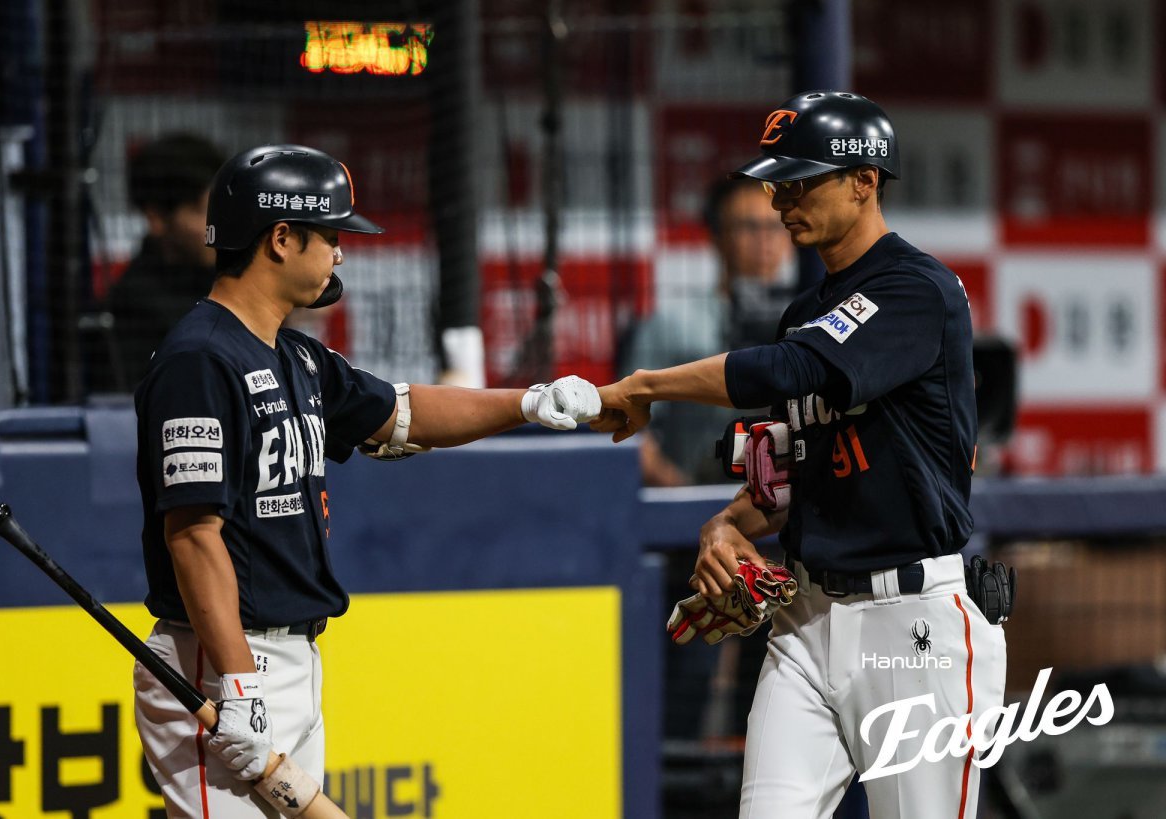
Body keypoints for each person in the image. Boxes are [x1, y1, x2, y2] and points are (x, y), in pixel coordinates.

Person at [131, 144, 601, 817]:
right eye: (330, 235)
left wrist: (529, 402)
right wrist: (237, 683)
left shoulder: (295, 354)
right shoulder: (199, 359)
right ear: (281, 238)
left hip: (287, 658)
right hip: (218, 660)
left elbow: (403, 412)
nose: (341, 253)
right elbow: (193, 536)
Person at [595, 91, 1007, 818]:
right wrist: (727, 524)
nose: (783, 200)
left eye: (802, 181)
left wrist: (646, 385)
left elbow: (797, 370)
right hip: (805, 621)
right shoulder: (806, 313)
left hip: (910, 624)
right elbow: (785, 465)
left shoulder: (917, 288)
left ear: (864, 181)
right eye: (777, 183)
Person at [621, 177, 793, 487]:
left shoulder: (807, 322)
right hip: (694, 495)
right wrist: (684, 493)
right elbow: (629, 426)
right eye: (749, 227)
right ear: (717, 235)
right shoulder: (672, 323)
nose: (764, 240)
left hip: (784, 502)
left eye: (775, 226)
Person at [104, 133, 226, 388]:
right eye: (202, 211)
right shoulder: (134, 307)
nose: (220, 225)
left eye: (223, 208)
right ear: (156, 218)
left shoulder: (232, 279)